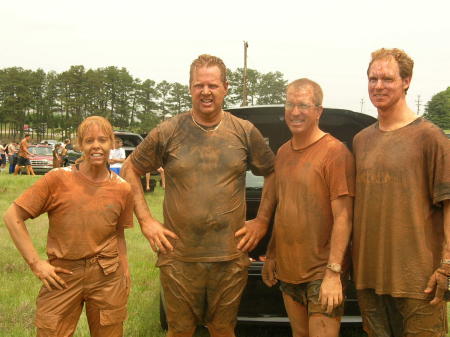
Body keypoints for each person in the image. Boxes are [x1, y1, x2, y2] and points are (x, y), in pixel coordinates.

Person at [121, 54, 274, 337]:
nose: (206, 92)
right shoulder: (169, 131)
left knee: (223, 329)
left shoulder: (244, 131)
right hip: (179, 257)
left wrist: (262, 221)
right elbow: (130, 169)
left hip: (229, 257)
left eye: (213, 85)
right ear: (190, 88)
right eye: (199, 85)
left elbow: (273, 172)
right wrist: (146, 221)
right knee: (180, 330)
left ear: (225, 88)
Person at [3, 116, 134, 337]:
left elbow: (118, 233)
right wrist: (36, 264)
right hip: (62, 274)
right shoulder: (57, 180)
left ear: (112, 143)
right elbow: (12, 216)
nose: (96, 146)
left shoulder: (122, 189)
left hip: (107, 274)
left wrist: (125, 272)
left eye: (102, 140)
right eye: (89, 140)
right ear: (79, 144)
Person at [352, 48, 450, 336]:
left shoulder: (429, 137)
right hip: (369, 278)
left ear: (406, 81)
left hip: (419, 282)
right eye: (372, 79)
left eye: (387, 79)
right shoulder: (361, 140)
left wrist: (446, 265)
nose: (378, 86)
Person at [260, 79, 354, 337]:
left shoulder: (334, 153)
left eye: (303, 105)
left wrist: (334, 274)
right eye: (290, 104)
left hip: (321, 274)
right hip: (289, 273)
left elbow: (344, 217)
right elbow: (285, 208)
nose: (295, 111)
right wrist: (273, 254)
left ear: (318, 111)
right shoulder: (282, 153)